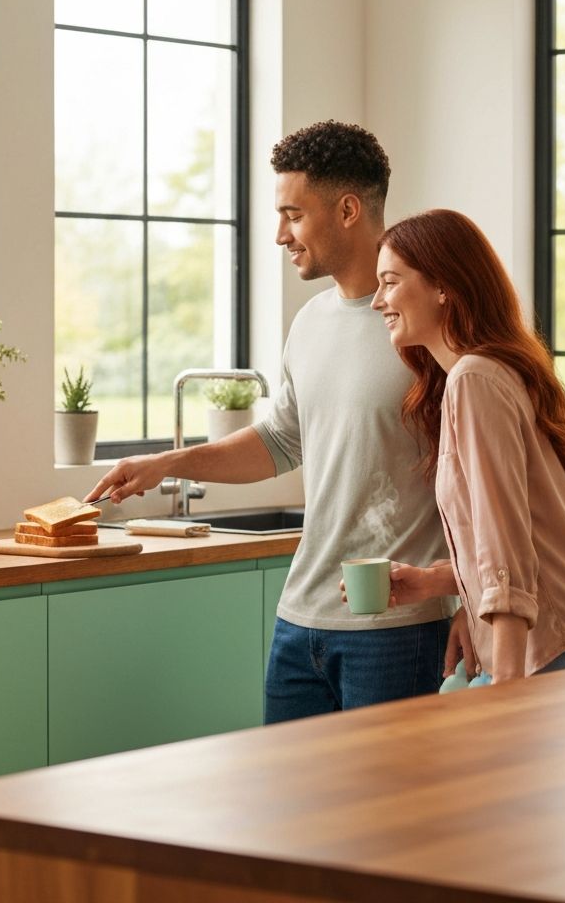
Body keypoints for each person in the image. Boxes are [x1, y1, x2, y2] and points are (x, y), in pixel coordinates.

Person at [87, 120, 455, 723]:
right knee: (291, 814)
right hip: (299, 622)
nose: (281, 234)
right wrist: (167, 464)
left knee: (385, 817)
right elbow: (281, 442)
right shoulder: (310, 322)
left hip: (397, 625)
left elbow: (478, 477)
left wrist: (467, 600)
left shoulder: (422, 324)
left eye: (293, 214)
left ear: (346, 210)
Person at [369, 208, 565, 683]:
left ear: (442, 286)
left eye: (390, 282)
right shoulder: (483, 374)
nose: (377, 301)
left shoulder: (474, 378)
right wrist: (443, 585)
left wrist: (507, 689)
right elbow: (520, 540)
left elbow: (504, 544)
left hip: (562, 648)